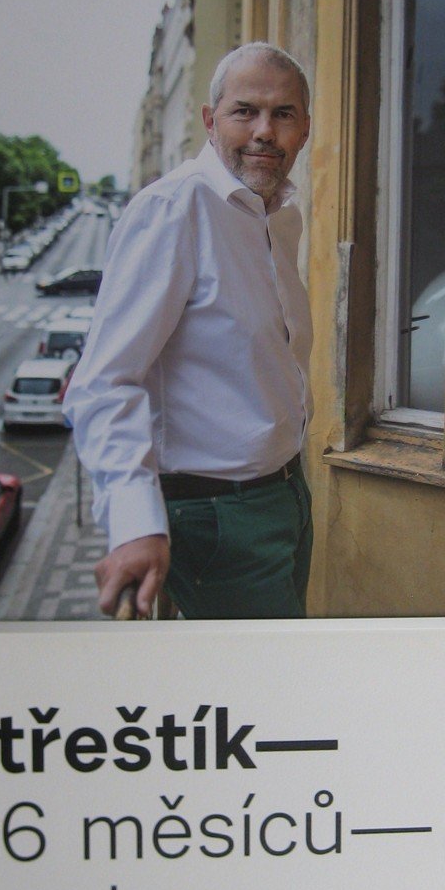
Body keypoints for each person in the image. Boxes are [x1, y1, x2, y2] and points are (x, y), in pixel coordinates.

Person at [65, 41, 313, 620]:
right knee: (263, 693)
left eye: (283, 115)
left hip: (285, 497)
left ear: (304, 129)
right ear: (210, 121)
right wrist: (134, 523)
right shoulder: (172, 210)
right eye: (244, 111)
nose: (263, 132)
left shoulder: (279, 215)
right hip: (215, 520)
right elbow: (104, 383)